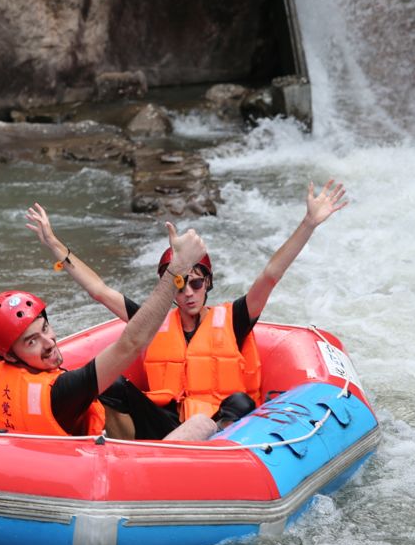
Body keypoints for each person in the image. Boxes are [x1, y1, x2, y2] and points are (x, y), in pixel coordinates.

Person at [25, 180, 349, 426]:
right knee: (113, 385)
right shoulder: (153, 323)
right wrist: (55, 245)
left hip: (220, 427)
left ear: (208, 282)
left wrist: (308, 224)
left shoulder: (235, 318)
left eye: (196, 283)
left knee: (240, 403)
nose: (188, 293)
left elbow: (270, 275)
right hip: (167, 426)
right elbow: (99, 289)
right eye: (179, 286)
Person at [0, 161, 210, 440]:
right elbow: (131, 342)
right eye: (31, 341)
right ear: (7, 353)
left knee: (117, 392)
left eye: (44, 328)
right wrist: (176, 269)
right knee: (200, 423)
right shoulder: (63, 392)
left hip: (38, 449)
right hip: (139, 444)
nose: (48, 342)